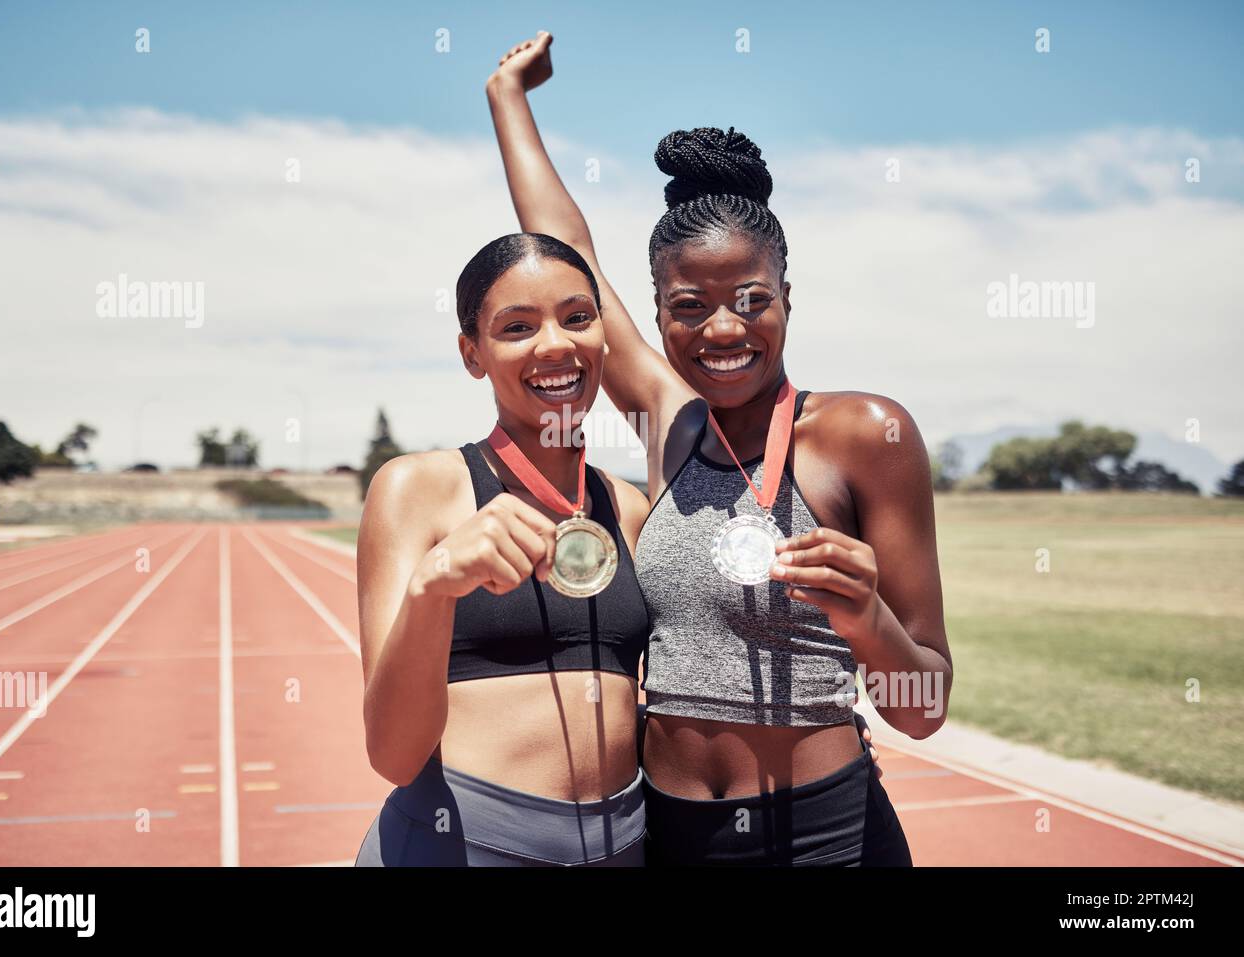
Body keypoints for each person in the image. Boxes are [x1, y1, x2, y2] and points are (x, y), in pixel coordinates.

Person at [487, 31, 950, 866]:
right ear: (659, 313)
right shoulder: (677, 424)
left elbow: (923, 705)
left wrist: (865, 616)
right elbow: (570, 250)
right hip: (667, 835)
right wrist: (508, 100)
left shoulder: (864, 433)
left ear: (787, 298)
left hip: (821, 834)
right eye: (690, 305)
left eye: (752, 299)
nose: (724, 327)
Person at [354, 232, 652, 866]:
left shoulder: (628, 508)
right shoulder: (417, 488)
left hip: (625, 845)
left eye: (577, 318)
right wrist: (433, 585)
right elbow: (393, 754)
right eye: (517, 327)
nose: (555, 344)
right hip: (461, 845)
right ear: (473, 354)